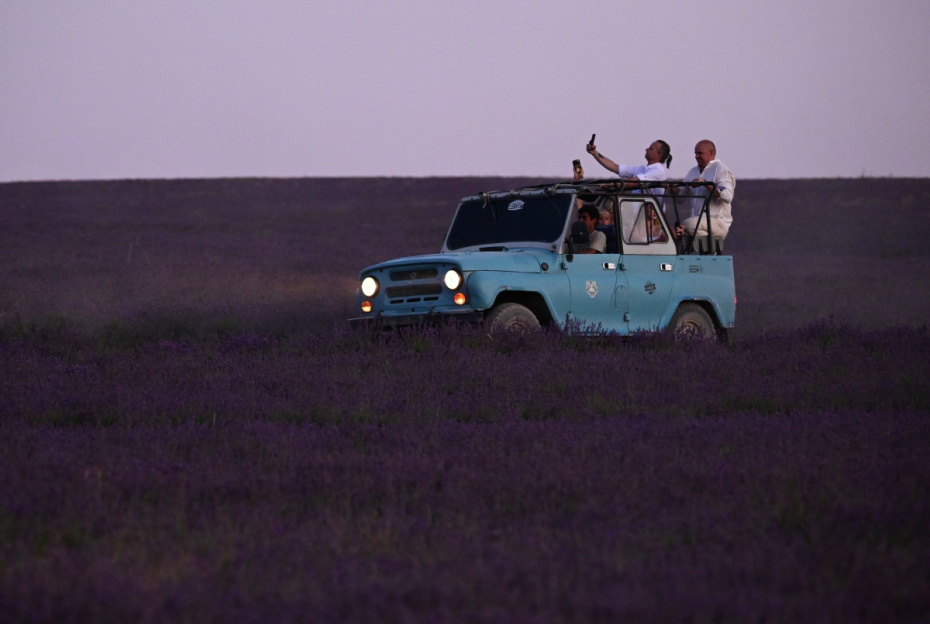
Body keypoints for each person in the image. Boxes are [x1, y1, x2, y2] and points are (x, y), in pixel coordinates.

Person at [675, 140, 735, 243]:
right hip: (698, 223)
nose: (696, 156)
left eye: (699, 153)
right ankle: (708, 245)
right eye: (695, 153)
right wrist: (672, 188)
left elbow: (728, 196)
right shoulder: (693, 171)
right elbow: (680, 198)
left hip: (717, 222)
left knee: (687, 225)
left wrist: (706, 184)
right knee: (676, 231)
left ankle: (713, 244)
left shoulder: (721, 169)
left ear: (711, 153)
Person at [585, 139, 673, 184]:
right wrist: (595, 153)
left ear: (659, 155)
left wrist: (612, 185)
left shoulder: (658, 170)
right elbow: (614, 167)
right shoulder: (641, 169)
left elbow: (635, 183)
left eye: (651, 148)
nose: (646, 149)